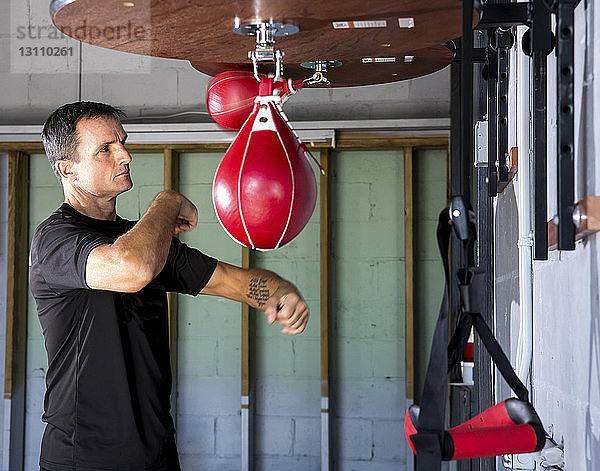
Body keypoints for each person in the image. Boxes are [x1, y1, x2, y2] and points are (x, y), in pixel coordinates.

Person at [30, 101, 309, 471]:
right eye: (105, 149)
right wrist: (168, 200)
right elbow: (132, 268)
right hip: (84, 456)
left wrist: (278, 291)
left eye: (123, 143)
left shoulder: (146, 241)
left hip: (156, 452)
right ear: (68, 170)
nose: (125, 156)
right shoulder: (56, 239)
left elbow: (229, 280)